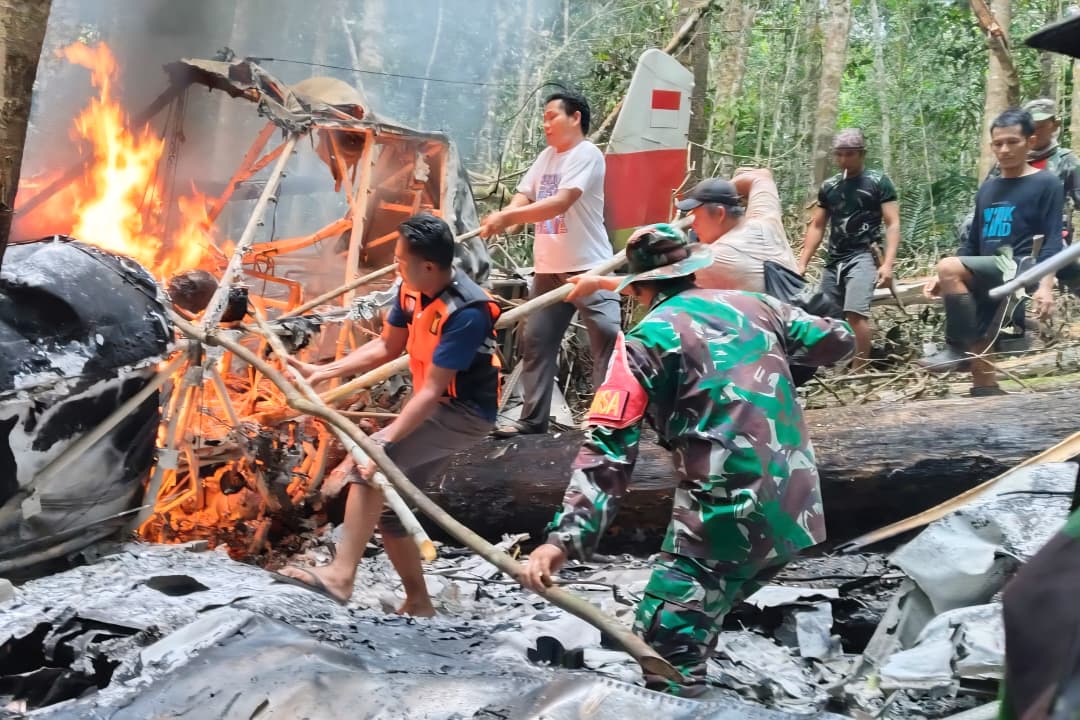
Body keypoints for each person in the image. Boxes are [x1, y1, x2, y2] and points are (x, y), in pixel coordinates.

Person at [519, 224, 855, 697]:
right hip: (797, 511)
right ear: (691, 270)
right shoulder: (757, 306)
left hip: (726, 516)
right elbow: (838, 340)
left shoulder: (642, 342)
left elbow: (608, 450)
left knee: (662, 643)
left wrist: (564, 539)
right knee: (699, 615)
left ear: (638, 289)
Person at [278, 214, 500, 615]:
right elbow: (386, 348)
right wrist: (321, 370)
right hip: (436, 405)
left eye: (400, 261)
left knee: (371, 467)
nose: (395, 267)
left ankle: (340, 576)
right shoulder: (410, 289)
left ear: (429, 266)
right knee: (392, 508)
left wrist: (386, 438)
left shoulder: (467, 311)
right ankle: (418, 602)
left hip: (463, 414)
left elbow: (433, 391)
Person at [479, 88, 621, 438]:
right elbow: (525, 194)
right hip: (548, 271)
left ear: (575, 118)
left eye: (551, 116)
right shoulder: (547, 157)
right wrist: (507, 216)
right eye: (543, 118)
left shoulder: (587, 154)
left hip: (591, 268)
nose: (546, 124)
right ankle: (532, 421)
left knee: (607, 337)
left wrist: (507, 219)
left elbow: (559, 203)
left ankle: (608, 423)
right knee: (537, 340)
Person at [919, 108, 1063, 396]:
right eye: (998, 144)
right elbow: (972, 241)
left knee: (948, 267)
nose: (1005, 150)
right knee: (981, 331)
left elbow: (1052, 240)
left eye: (1012, 142)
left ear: (1030, 141)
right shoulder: (988, 188)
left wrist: (1046, 287)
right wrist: (947, 278)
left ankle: (955, 347)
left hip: (1021, 267)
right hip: (989, 266)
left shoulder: (1046, 182)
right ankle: (986, 392)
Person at [565, 168, 798, 300]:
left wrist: (597, 281)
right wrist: (720, 189)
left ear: (718, 213)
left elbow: (651, 284)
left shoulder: (718, 257)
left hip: (772, 346)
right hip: (796, 325)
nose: (692, 224)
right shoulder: (765, 219)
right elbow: (761, 176)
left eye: (696, 215)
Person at [798, 129, 901, 370]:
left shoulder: (877, 182)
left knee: (855, 314)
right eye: (840, 155)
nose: (844, 160)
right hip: (834, 258)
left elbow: (892, 222)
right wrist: (802, 262)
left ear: (861, 154)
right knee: (827, 317)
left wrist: (887, 264)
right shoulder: (830, 186)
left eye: (850, 154)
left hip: (864, 255)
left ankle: (858, 371)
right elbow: (818, 225)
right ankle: (828, 366)